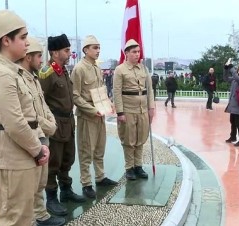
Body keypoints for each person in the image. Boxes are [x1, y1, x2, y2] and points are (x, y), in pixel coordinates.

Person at [0, 10, 50, 225]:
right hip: (10, 158)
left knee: (23, 218)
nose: (28, 43)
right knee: (13, 220)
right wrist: (37, 150)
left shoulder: (10, 71)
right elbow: (15, 123)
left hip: (18, 155)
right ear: (6, 40)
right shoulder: (0, 74)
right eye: (23, 37)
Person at [17, 37, 65, 226]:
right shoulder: (19, 78)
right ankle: (32, 218)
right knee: (31, 183)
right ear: (28, 57)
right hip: (33, 136)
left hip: (43, 135)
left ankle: (41, 214)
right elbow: (29, 114)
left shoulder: (35, 79)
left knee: (41, 181)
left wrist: (50, 123)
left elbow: (43, 107)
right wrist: (48, 125)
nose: (41, 60)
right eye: (38, 56)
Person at [39, 34, 86, 216]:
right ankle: (52, 198)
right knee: (54, 162)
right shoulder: (47, 73)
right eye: (66, 50)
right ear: (55, 52)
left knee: (67, 158)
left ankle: (66, 190)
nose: (69, 53)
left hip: (68, 122)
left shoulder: (63, 70)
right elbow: (39, 101)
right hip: (56, 124)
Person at [71, 35, 118, 199]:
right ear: (85, 50)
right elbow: (75, 96)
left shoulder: (97, 68)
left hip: (100, 114)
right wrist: (91, 110)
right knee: (86, 150)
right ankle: (86, 183)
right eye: (94, 48)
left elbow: (101, 90)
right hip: (87, 115)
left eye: (99, 47)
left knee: (99, 147)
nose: (98, 51)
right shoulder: (79, 69)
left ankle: (100, 176)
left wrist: (109, 103)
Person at [113, 39, 155, 180]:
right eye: (134, 52)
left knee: (141, 138)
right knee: (128, 140)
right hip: (128, 109)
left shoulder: (143, 69)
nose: (137, 54)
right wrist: (120, 112)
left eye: (138, 52)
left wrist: (151, 107)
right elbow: (116, 92)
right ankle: (129, 167)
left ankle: (138, 166)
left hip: (142, 109)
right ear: (126, 53)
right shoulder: (120, 70)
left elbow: (149, 89)